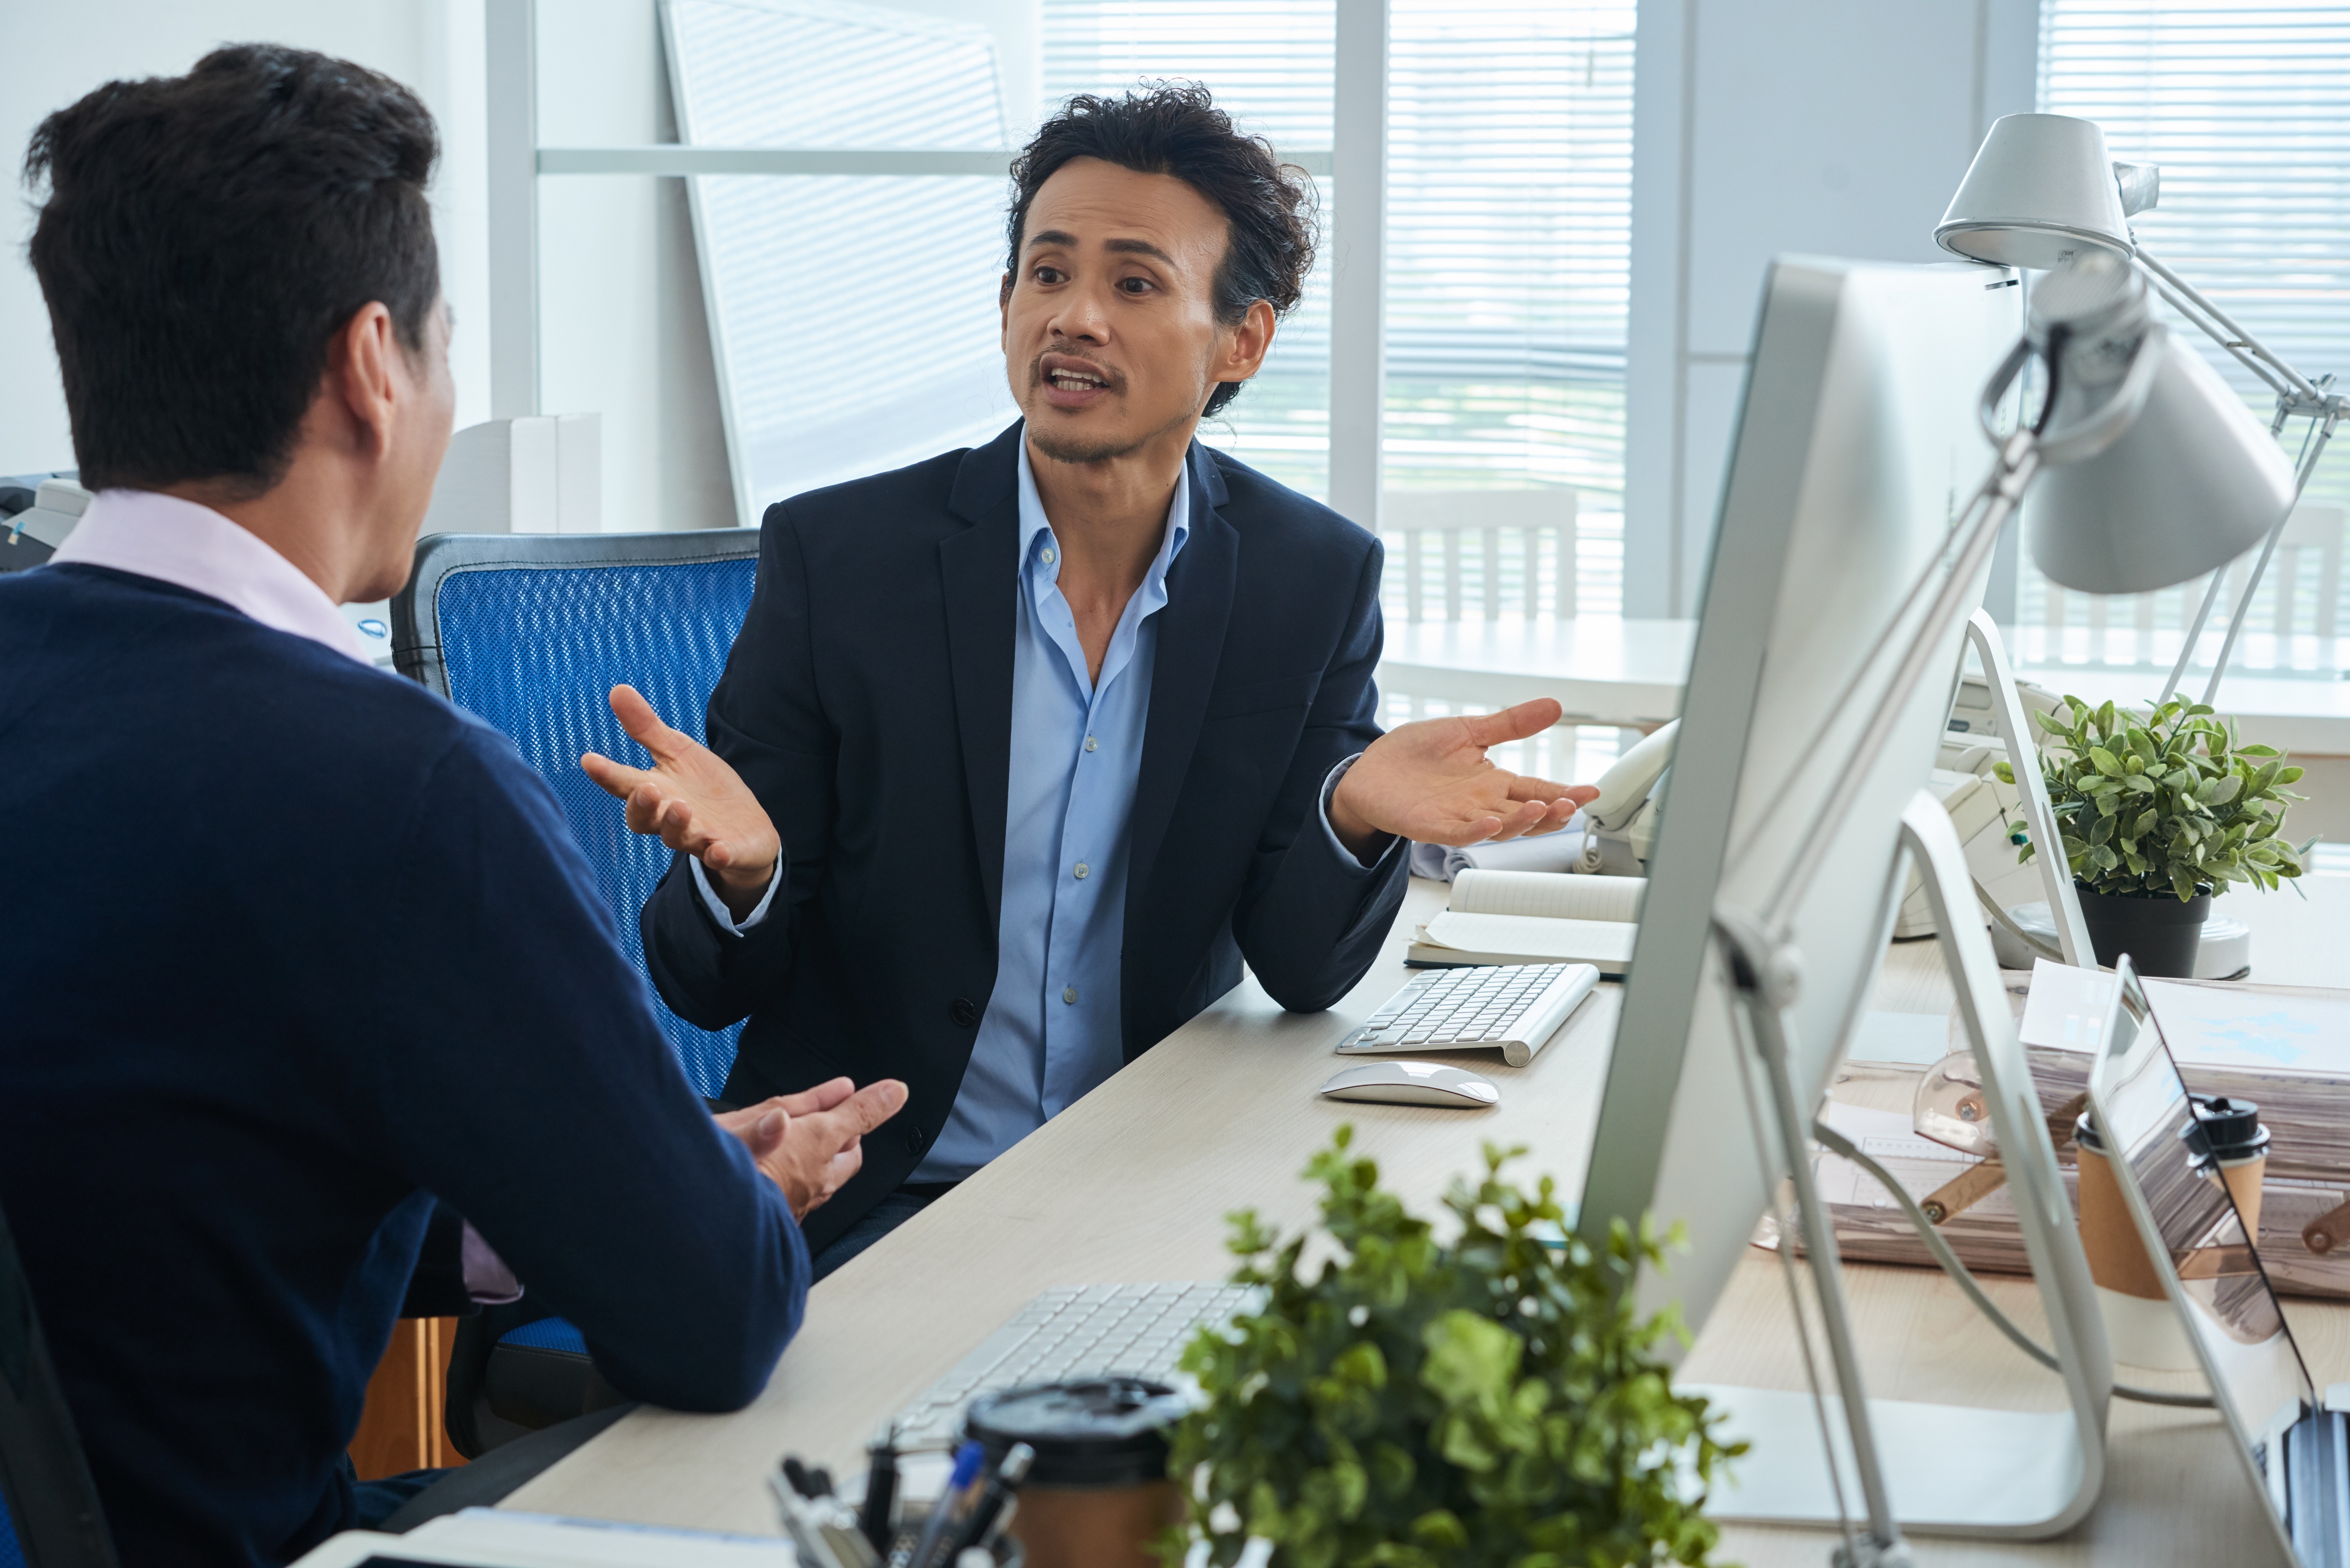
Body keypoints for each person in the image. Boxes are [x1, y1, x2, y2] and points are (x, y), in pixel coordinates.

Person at [0, 45, 904, 1565]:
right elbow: (712, 1320)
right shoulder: (406, 787)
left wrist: (588, 1190)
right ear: (374, 363)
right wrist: (729, 1210)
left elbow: (169, 1174)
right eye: (444, 342)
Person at [585, 84, 1598, 1276]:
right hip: (872, 1194)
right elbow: (706, 990)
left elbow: (1303, 970)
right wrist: (743, 879)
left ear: (1243, 340)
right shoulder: (843, 560)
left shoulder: (1310, 579)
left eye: (1133, 283)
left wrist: (1351, 810)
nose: (1073, 318)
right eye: (1046, 273)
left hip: (1151, 1196)